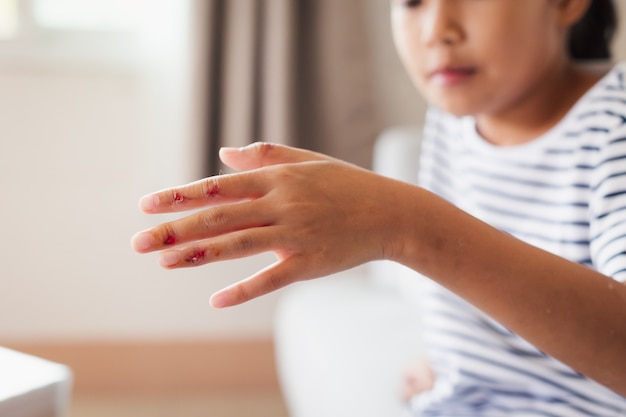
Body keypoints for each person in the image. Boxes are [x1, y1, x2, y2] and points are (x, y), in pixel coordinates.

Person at [132, 0, 626, 415]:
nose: (438, 29)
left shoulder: (614, 126)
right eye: (412, 1)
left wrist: (407, 223)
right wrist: (457, 357)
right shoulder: (455, 121)